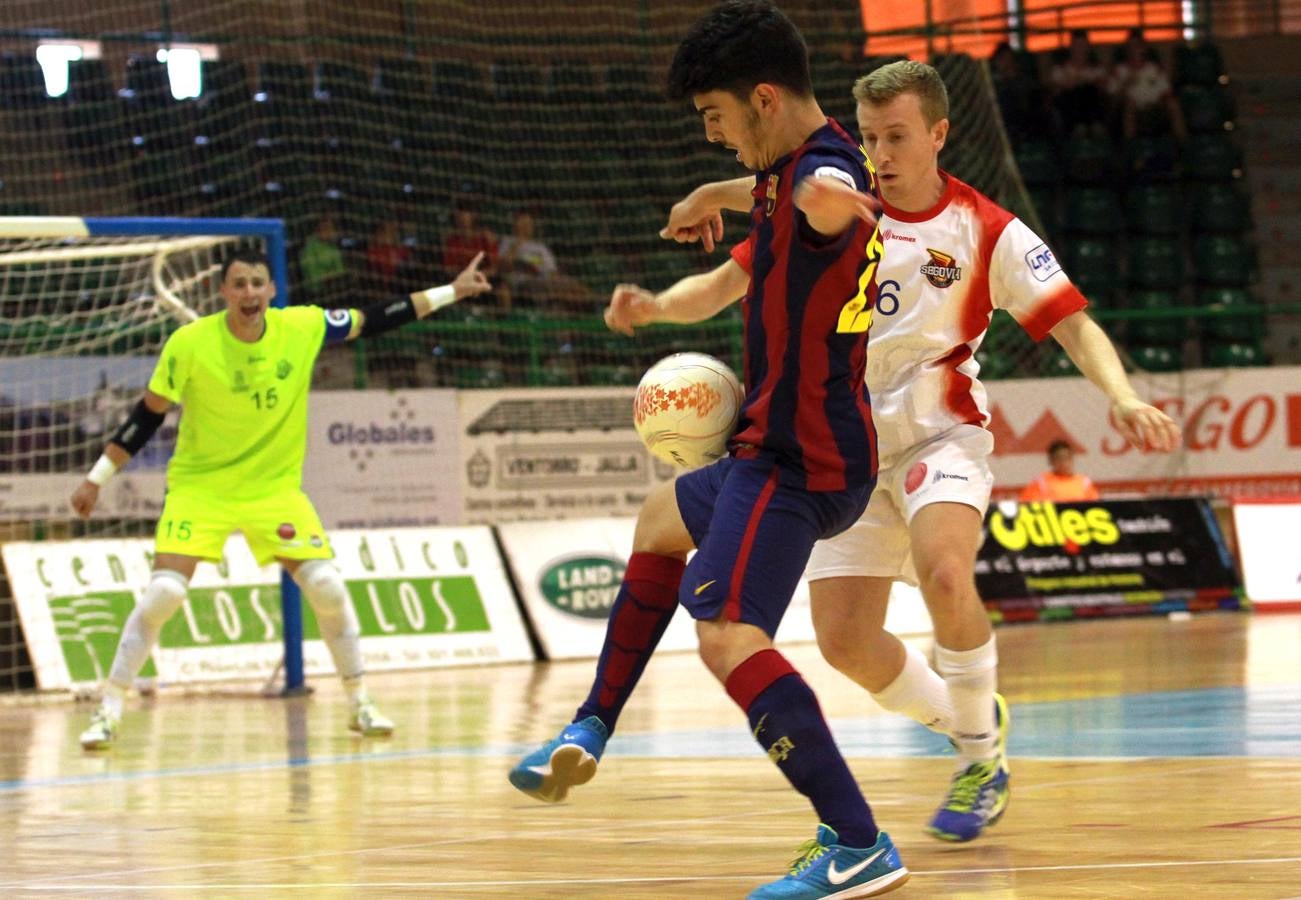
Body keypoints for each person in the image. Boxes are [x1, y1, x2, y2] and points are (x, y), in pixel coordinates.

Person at [544, 57, 1183, 847]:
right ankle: (970, 719)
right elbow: (724, 276)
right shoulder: (831, 206)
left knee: (944, 571)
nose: (879, 153)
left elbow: (1072, 323)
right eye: (871, 137)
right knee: (845, 640)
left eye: (897, 137)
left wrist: (1120, 396)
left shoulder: (985, 228)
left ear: (938, 134)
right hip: (836, 448)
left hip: (939, 435)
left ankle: (978, 764)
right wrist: (657, 303)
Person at [511, 4, 909, 897]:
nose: (712, 134)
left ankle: (856, 841)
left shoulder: (822, 177)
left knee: (727, 637)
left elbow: (826, 195)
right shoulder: (778, 176)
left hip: (798, 457)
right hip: (784, 442)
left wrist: (826, 203)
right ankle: (588, 726)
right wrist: (662, 292)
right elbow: (739, 258)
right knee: (660, 521)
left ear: (763, 99)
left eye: (713, 117)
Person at [71, 246, 492, 750]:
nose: (249, 292)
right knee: (165, 594)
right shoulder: (190, 343)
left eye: (257, 283)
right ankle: (109, 709)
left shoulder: (302, 326)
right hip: (200, 488)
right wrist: (97, 477)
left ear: (271, 290)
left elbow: (377, 319)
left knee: (327, 587)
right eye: (239, 284)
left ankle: (360, 702)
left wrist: (453, 291)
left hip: (274, 491)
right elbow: (147, 415)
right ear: (223, 292)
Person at [1050, 29, 1111, 137]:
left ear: (1088, 47)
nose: (1080, 49)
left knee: (1089, 90)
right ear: (1071, 47)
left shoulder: (1097, 70)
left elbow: (1105, 89)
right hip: (1070, 114)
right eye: (1077, 45)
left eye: (1083, 45)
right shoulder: (1060, 70)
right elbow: (1055, 92)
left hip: (1094, 115)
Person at [1019, 438, 1100, 502]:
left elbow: (1096, 506)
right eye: (1059, 458)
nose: (1063, 462)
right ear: (1051, 461)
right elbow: (1025, 506)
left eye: (1066, 458)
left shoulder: (1084, 482)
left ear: (1072, 459)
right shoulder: (1040, 483)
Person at [299, 214, 347, 304]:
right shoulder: (310, 248)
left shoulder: (333, 247)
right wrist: (328, 277)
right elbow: (312, 275)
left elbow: (340, 270)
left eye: (331, 228)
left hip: (335, 289)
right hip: (316, 293)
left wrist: (333, 276)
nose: (330, 231)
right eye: (326, 228)